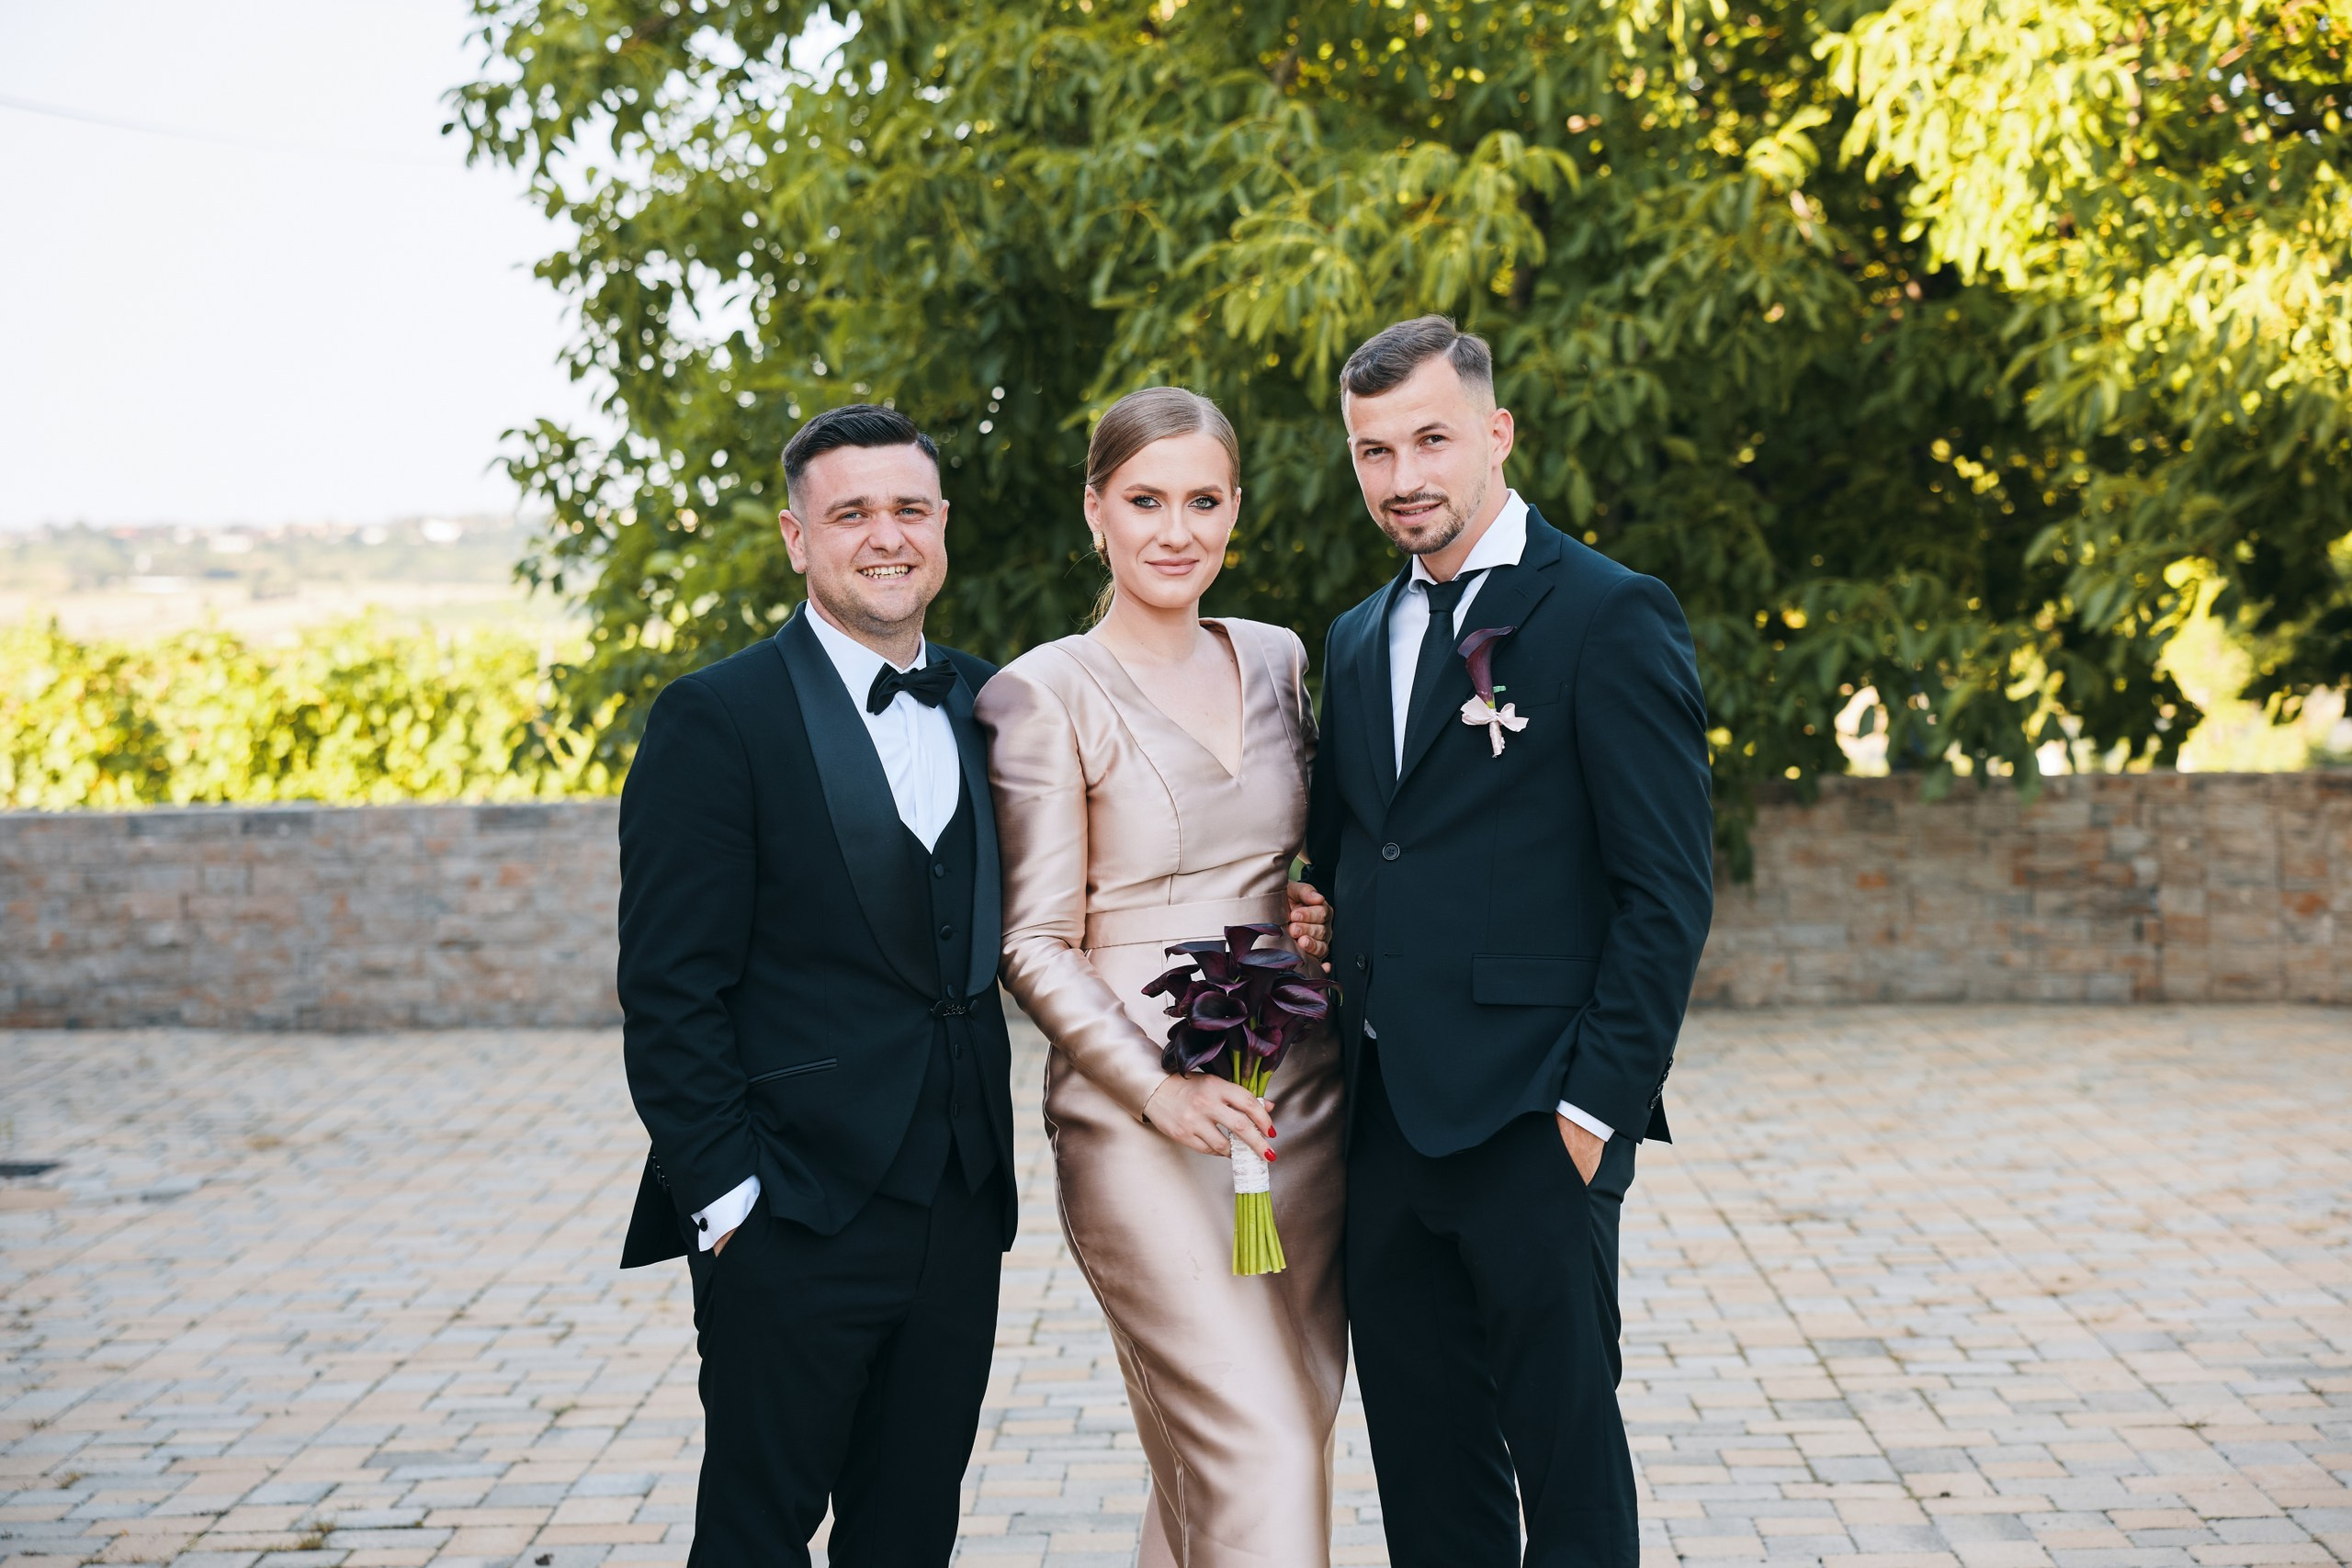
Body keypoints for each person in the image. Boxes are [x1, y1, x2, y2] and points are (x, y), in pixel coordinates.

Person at [1303, 317, 1714, 1567]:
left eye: (1430, 439)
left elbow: (1666, 891)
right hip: (1383, 1128)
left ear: (1496, 433)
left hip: (1538, 1122)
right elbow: (1351, 854)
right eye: (1374, 451)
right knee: (1430, 1483)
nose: (1402, 476)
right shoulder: (1356, 635)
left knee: (1570, 1471)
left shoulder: (1608, 612)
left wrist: (1593, 1110)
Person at [614, 404, 1017, 1568]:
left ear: (941, 527)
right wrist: (728, 1199)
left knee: (909, 1533)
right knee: (755, 1534)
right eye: (850, 513)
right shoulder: (716, 717)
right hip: (788, 1208)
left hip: (955, 1200)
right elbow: (669, 987)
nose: (883, 537)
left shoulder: (996, 706)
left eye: (908, 510)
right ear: (797, 537)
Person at [976, 387, 1343, 1568]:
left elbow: (1289, 853)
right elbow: (1032, 941)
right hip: (1141, 1111)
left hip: (1300, 1098)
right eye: (1144, 501)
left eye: (1202, 499)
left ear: (1236, 507)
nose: (1174, 530)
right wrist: (1156, 1090)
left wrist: (1319, 913)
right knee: (1264, 1453)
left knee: (1244, 1455)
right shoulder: (1042, 692)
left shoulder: (1280, 659)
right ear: (1095, 512)